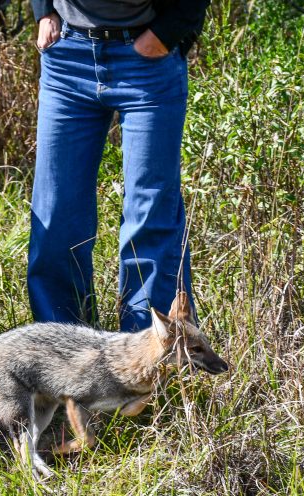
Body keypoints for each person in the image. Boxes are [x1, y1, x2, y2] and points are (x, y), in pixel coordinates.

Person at [28, 0, 210, 331]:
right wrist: (44, 11)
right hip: (67, 58)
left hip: (146, 64)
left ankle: (149, 360)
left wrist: (167, 32)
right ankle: (62, 357)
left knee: (149, 213)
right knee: (55, 214)